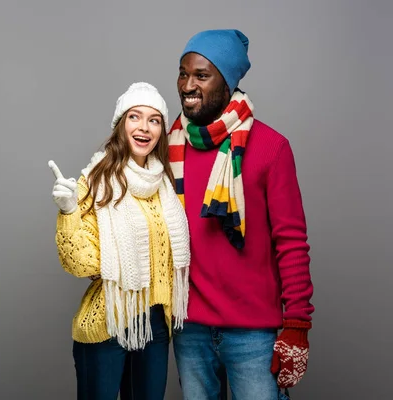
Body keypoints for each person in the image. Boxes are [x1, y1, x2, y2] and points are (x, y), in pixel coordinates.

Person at [167, 29, 315, 400]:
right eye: (183, 73)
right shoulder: (168, 147)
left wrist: (297, 324)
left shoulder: (270, 147)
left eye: (201, 75)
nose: (187, 85)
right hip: (190, 327)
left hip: (253, 333)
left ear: (227, 82)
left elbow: (292, 241)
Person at [48, 82, 190, 399]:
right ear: (121, 124)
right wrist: (69, 210)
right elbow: (79, 263)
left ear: (161, 131)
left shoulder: (165, 184)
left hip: (155, 324)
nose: (144, 127)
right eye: (135, 117)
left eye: (154, 120)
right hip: (108, 320)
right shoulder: (96, 178)